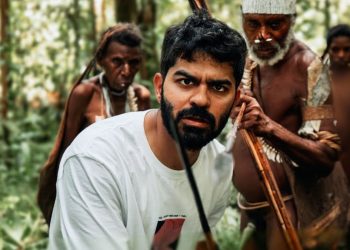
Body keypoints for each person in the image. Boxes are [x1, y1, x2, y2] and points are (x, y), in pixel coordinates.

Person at [47, 10, 247, 250]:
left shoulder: (218, 167)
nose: (201, 100)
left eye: (218, 87)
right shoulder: (95, 160)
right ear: (160, 88)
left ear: (236, 99)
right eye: (186, 82)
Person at [232, 0, 349, 249]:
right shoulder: (245, 62)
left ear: (292, 20)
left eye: (274, 24)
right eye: (253, 24)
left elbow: (326, 156)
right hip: (248, 208)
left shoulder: (310, 68)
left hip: (288, 210)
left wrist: (268, 126)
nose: (262, 36)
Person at [38, 23, 151, 224]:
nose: (126, 70)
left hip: (127, 192)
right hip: (88, 190)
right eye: (117, 62)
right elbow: (67, 151)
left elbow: (144, 153)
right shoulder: (85, 94)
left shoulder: (140, 97)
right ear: (101, 61)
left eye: (134, 63)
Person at [323, 24, 350, 182]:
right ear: (328, 50)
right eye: (335, 49)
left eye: (347, 50)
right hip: (328, 162)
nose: (341, 55)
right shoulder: (319, 80)